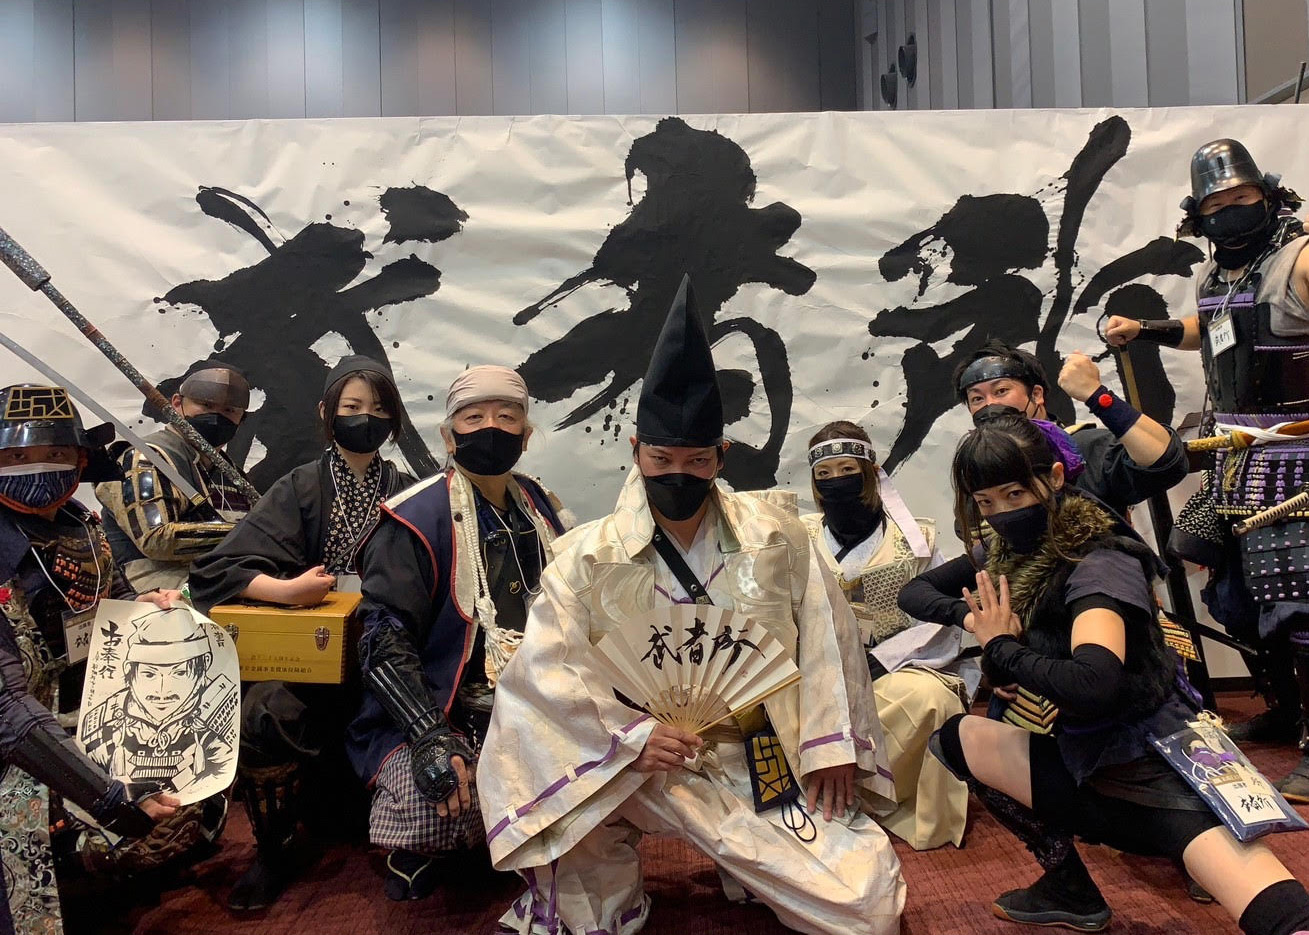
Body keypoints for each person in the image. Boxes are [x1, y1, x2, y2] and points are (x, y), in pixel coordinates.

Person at [477, 276, 905, 935]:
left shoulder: (777, 537)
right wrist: (625, 739)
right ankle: (605, 895)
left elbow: (829, 641)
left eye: (697, 460)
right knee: (564, 786)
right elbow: (544, 675)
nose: (677, 473)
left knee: (867, 911)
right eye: (661, 457)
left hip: (759, 752)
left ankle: (756, 867)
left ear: (721, 456)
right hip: (637, 762)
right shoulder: (586, 556)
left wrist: (830, 745)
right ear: (635, 451)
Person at [915, 415, 1309, 935]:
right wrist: (979, 622)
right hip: (1084, 758)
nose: (1001, 513)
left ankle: (1181, 850)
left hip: (1160, 765)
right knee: (958, 737)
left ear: (1055, 477)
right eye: (985, 502)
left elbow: (1093, 684)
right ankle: (1070, 889)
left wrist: (1002, 646)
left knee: (1284, 917)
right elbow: (916, 593)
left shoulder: (1100, 561)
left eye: (1014, 494)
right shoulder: (1011, 550)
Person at [1106, 138, 1309, 802]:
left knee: (1298, 604)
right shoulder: (1219, 276)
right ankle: (1284, 706)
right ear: (1198, 216)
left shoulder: (1300, 258)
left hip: (1296, 458)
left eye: (1240, 199)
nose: (1229, 213)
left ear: (1267, 197)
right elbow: (1211, 326)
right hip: (1233, 457)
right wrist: (1146, 330)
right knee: (1227, 590)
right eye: (1215, 206)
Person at [187, 355, 417, 910]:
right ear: (326, 413)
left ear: (394, 418)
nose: (365, 418)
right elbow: (219, 569)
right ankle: (273, 847)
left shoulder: (409, 490)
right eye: (352, 407)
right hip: (315, 653)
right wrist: (288, 592)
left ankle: (416, 837)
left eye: (378, 408)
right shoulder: (301, 486)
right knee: (265, 709)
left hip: (389, 651)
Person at [349, 364, 565, 901]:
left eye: (506, 417)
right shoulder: (416, 517)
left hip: (536, 693)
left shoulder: (541, 506)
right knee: (439, 797)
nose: (491, 427)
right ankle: (432, 845)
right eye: (474, 418)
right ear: (449, 437)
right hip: (447, 706)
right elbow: (382, 638)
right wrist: (428, 734)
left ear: (526, 435)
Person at [0, 383, 184, 933]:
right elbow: (6, 708)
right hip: (15, 734)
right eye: (17, 457)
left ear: (81, 459)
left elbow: (106, 598)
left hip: (79, 704)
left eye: (56, 453)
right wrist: (109, 797)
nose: (38, 467)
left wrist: (139, 605)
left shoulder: (82, 523)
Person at [800, 420, 973, 851]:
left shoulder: (916, 540)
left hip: (896, 669)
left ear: (869, 472)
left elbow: (940, 614)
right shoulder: (798, 537)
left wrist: (885, 658)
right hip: (819, 676)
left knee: (930, 701)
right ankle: (828, 798)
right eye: (824, 474)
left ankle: (867, 801)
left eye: (847, 469)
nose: (837, 480)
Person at [953, 339, 1187, 519]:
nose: (990, 405)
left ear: (1036, 394)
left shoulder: (1085, 447)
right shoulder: (976, 467)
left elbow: (1165, 461)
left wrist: (1097, 396)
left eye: (1001, 391)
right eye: (977, 398)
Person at [96, 363, 253, 593]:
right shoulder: (145, 457)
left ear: (241, 419)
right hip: (150, 586)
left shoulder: (233, 475)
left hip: (219, 574)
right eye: (206, 405)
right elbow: (156, 539)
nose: (216, 417)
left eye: (229, 410)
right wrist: (247, 533)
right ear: (177, 404)